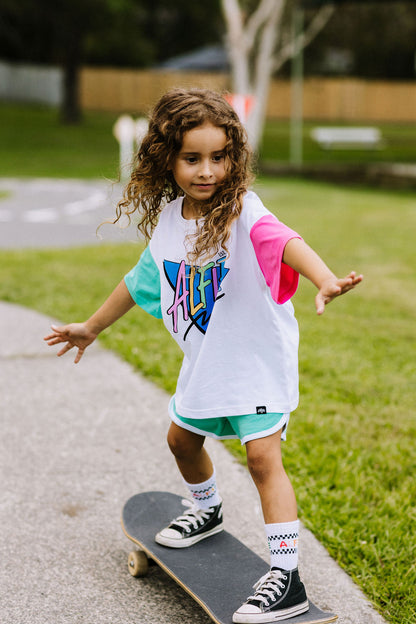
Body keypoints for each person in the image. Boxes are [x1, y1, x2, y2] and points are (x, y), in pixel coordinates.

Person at [44, 88, 362, 623]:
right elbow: (140, 279)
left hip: (255, 363)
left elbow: (284, 241)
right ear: (165, 159)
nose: (208, 170)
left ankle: (287, 578)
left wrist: (324, 277)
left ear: (234, 158)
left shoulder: (244, 212)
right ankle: (208, 508)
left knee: (263, 460)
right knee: (180, 440)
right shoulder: (171, 221)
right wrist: (92, 327)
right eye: (193, 158)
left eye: (220, 157)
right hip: (209, 365)